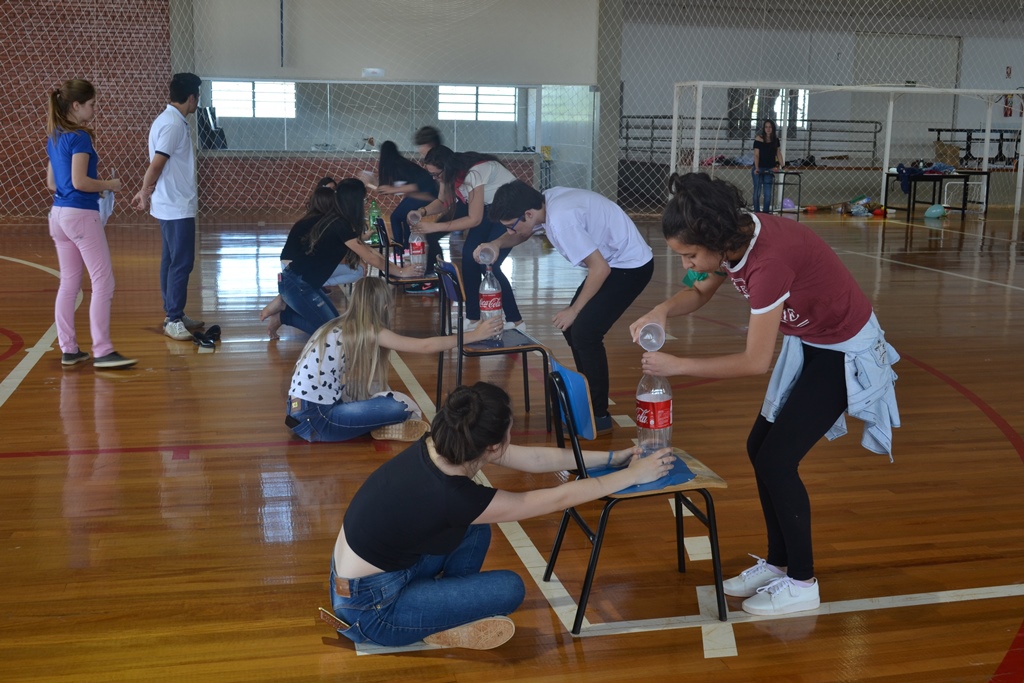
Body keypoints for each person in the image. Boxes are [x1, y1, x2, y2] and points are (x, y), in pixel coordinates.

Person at [629, 172, 900, 617]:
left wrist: (678, 366)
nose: (686, 263)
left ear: (715, 239)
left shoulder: (769, 262)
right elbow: (698, 289)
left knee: (777, 460)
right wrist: (662, 309)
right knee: (760, 448)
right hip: (812, 339)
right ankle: (779, 564)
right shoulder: (730, 241)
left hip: (844, 349)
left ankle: (803, 582)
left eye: (690, 254)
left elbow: (755, 361)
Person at [328, 381, 675, 649]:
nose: (512, 437)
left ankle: (442, 607)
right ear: (492, 446)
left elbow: (535, 459)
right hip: (372, 612)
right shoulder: (454, 496)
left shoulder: (443, 441)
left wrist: (614, 458)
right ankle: (439, 616)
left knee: (475, 529)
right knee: (510, 588)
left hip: (365, 579)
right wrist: (632, 476)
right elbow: (559, 497)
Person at [483, 181, 654, 435]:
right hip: (613, 263)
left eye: (510, 225)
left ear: (528, 214)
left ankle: (598, 415)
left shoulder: (561, 220)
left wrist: (574, 310)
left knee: (585, 333)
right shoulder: (544, 203)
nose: (510, 231)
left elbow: (600, 269)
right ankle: (588, 395)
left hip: (630, 267)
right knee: (575, 330)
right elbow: (522, 232)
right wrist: (496, 244)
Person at [286, 278, 502, 442]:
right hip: (317, 420)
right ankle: (380, 422)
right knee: (401, 406)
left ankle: (373, 422)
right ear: (383, 307)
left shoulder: (333, 325)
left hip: (296, 412)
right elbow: (425, 346)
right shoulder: (368, 330)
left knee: (374, 391)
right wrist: (473, 335)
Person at [44, 79, 137, 370]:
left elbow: (53, 183)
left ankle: (69, 349)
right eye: (92, 104)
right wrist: (108, 184)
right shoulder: (80, 137)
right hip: (81, 216)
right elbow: (79, 181)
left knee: (69, 283)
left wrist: (92, 189)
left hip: (58, 215)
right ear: (76, 105)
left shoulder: (54, 136)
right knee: (103, 281)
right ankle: (103, 350)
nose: (95, 109)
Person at [260, 179, 421, 339]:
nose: (364, 205)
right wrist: (400, 272)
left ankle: (284, 308)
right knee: (332, 332)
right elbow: (370, 257)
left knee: (335, 325)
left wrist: (397, 269)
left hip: (305, 283)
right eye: (363, 200)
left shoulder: (339, 220)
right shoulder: (339, 224)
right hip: (297, 284)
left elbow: (369, 251)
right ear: (354, 201)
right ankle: (283, 317)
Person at [412, 146, 524, 330]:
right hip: (490, 209)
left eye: (436, 174)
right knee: (469, 258)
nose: (434, 178)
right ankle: (473, 318)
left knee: (489, 262)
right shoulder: (447, 175)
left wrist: (435, 227)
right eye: (431, 174)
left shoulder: (474, 173)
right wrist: (422, 211)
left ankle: (516, 321)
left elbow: (474, 219)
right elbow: (442, 202)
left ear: (447, 168)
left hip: (510, 209)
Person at [131, 72, 205, 342]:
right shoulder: (173, 124)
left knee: (171, 260)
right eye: (198, 97)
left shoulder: (169, 120)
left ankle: (174, 313)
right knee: (181, 262)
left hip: (171, 203)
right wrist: (144, 191)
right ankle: (173, 318)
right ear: (191, 97)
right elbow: (157, 164)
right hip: (175, 205)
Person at [374, 140, 440, 294]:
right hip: (421, 193)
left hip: (427, 193)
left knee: (396, 217)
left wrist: (391, 189)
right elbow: (402, 187)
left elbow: (417, 185)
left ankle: (401, 251)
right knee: (401, 218)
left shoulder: (398, 164)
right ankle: (405, 249)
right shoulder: (399, 164)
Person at [751, 119, 784, 213]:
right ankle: (757, 213)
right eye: (766, 127)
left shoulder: (775, 140)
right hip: (759, 168)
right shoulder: (758, 139)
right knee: (757, 192)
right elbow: (756, 155)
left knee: (768, 194)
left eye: (770, 127)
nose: (768, 129)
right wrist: (757, 167)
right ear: (764, 128)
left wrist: (783, 166)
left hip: (770, 169)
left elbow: (778, 153)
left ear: (773, 128)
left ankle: (765, 214)